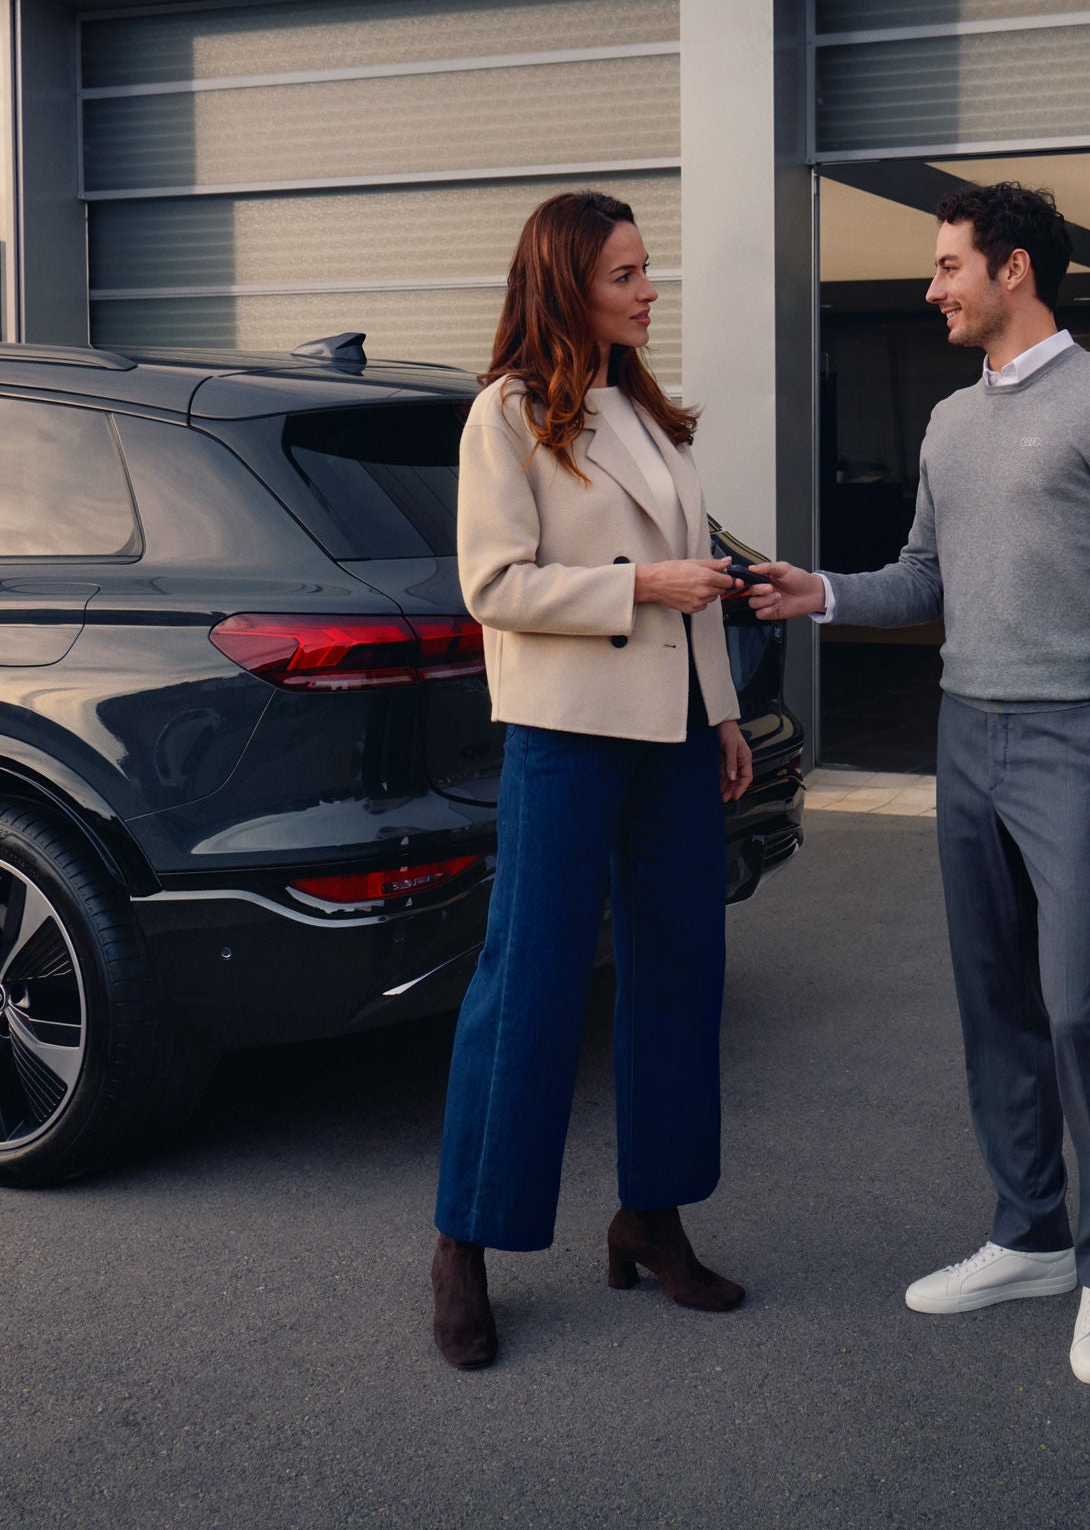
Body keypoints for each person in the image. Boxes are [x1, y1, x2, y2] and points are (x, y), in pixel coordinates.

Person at [749, 181, 1090, 1386]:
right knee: (994, 1002)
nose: (932, 287)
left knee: (1084, 1006)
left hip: (1075, 741)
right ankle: (1031, 1232)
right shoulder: (948, 425)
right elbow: (923, 578)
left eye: (949, 266)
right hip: (966, 737)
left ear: (1014, 273)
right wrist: (820, 592)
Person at [430, 190, 754, 1370]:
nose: (648, 290)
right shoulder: (506, 415)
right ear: (568, 282)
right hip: (565, 732)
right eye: (626, 274)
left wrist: (720, 714)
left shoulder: (647, 411)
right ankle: (465, 1242)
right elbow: (493, 585)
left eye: (647, 271)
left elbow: (699, 574)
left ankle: (651, 1217)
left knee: (678, 974)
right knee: (531, 984)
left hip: (671, 730)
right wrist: (636, 590)